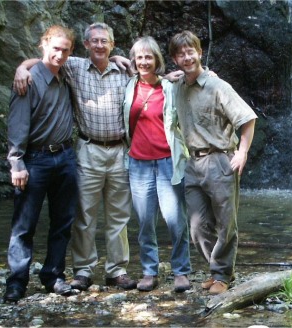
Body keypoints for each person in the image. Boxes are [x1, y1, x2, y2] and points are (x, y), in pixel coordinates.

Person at [13, 22, 136, 291]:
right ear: (86, 45)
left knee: (119, 216)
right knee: (84, 215)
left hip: (120, 150)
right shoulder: (73, 66)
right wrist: (22, 67)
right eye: (95, 41)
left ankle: (117, 270)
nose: (100, 45)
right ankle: (83, 270)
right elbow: (47, 59)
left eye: (105, 41)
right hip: (87, 148)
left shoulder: (127, 70)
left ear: (112, 45)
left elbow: (155, 78)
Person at [168, 30, 257, 295]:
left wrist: (242, 153)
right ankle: (217, 269)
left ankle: (222, 275)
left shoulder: (218, 86)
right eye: (181, 54)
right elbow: (146, 78)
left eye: (191, 51)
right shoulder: (178, 86)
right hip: (192, 163)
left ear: (199, 52)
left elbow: (247, 119)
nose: (187, 57)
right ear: (175, 59)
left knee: (225, 222)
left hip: (220, 160)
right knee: (196, 226)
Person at [3, 25, 78, 303]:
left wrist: (120, 59)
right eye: (55, 48)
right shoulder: (28, 80)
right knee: (24, 225)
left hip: (66, 158)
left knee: (62, 221)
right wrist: (16, 163)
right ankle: (16, 282)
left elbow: (100, 57)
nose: (59, 54)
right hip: (34, 159)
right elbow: (17, 124)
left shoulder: (68, 74)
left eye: (65, 50)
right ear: (44, 45)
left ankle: (53, 276)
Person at [123, 36, 191, 292]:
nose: (144, 62)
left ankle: (181, 271)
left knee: (175, 219)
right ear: (134, 61)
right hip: (138, 163)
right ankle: (149, 271)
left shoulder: (170, 86)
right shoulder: (129, 86)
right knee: (145, 222)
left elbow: (195, 77)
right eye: (139, 57)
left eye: (148, 57)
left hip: (167, 161)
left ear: (157, 60)